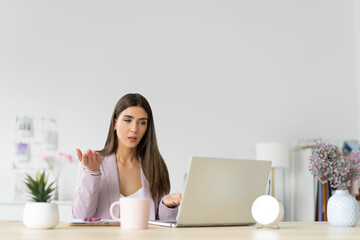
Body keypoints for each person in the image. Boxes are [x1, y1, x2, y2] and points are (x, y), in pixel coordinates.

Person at [72, 93, 182, 220]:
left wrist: (167, 205)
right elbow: (80, 217)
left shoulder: (155, 165)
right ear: (115, 123)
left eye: (142, 122)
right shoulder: (92, 162)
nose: (134, 129)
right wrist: (92, 173)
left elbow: (160, 223)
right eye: (127, 120)